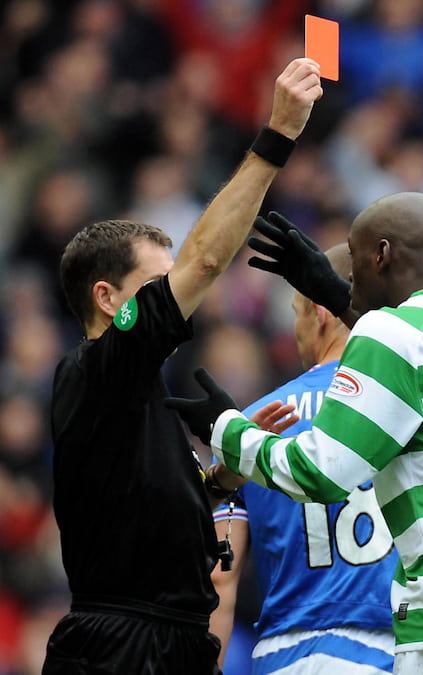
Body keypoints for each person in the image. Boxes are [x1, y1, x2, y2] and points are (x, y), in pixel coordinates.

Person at [167, 193, 423, 675]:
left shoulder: (390, 337)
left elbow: (318, 474)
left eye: (357, 258)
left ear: (382, 255)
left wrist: (227, 428)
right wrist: (330, 291)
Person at [45, 58, 322, 674]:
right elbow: (203, 261)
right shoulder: (99, 366)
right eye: (156, 283)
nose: (177, 293)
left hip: (173, 645)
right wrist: (276, 136)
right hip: (122, 650)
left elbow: (140, 518)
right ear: (108, 299)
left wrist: (221, 481)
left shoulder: (132, 391)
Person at [210, 244, 399, 674]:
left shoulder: (254, 424)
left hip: (285, 654)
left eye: (297, 312)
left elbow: (220, 574)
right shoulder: (406, 407)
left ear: (321, 311)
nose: (296, 329)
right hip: (386, 650)